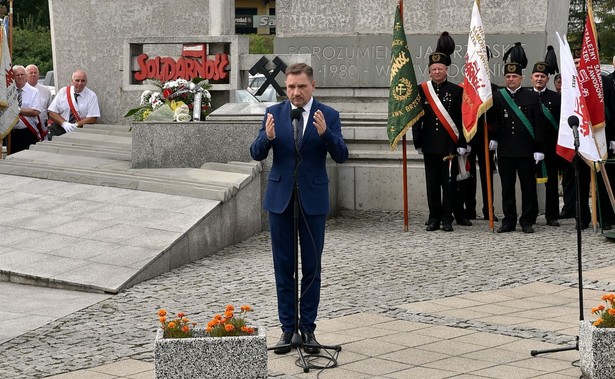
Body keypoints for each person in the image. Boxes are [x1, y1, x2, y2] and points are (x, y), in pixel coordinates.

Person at [249, 63, 348, 355]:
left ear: (312, 86)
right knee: (284, 268)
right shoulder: (273, 113)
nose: (295, 92)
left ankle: (308, 330)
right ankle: (287, 330)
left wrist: (326, 134)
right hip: (280, 200)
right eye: (291, 87)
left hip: (313, 200)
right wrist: (265, 138)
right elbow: (256, 153)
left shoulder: (328, 115)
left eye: (301, 87)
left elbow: (342, 155)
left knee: (312, 269)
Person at [413, 32, 469, 232]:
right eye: (433, 69)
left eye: (440, 68)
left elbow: (462, 119)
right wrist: (417, 141)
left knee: (450, 183)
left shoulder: (457, 91)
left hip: (449, 145)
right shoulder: (421, 90)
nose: (437, 71)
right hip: (429, 144)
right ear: (429, 71)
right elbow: (417, 117)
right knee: (432, 184)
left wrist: (462, 143)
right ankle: (433, 217)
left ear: (446, 70)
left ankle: (447, 217)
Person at [489, 58, 544, 233]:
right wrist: (494, 138)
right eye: (508, 76)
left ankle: (527, 220)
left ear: (521, 78)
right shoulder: (498, 96)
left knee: (528, 187)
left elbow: (538, 123)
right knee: (507, 187)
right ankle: (509, 220)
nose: (510, 79)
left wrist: (539, 148)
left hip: (526, 150)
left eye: (514, 76)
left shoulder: (532, 96)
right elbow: (494, 121)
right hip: (505, 149)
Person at [530, 61, 561, 227]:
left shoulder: (556, 98)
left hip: (550, 147)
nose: (539, 79)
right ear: (531, 78)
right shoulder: (525, 97)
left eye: (542, 76)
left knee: (552, 183)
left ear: (548, 79)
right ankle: (531, 214)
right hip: (530, 148)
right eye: (537, 76)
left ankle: (552, 215)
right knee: (529, 183)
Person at [48, 69, 100, 139]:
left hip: (80, 130)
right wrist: (64, 123)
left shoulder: (91, 95)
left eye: (83, 81)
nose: (80, 83)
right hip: (60, 128)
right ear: (72, 81)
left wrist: (75, 125)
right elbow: (52, 112)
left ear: (86, 82)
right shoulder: (63, 92)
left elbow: (93, 118)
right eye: (77, 80)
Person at [9, 65, 44, 154]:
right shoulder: (8, 92)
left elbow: (35, 111)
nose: (20, 77)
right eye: (17, 75)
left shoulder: (34, 92)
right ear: (13, 77)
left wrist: (17, 110)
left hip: (28, 132)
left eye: (22, 74)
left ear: (26, 76)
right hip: (11, 133)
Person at [26, 64, 52, 129]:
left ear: (38, 75)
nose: (33, 74)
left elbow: (50, 110)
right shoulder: (20, 91)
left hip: (43, 127)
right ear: (26, 75)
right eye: (31, 73)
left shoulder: (46, 90)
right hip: (27, 127)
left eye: (35, 73)